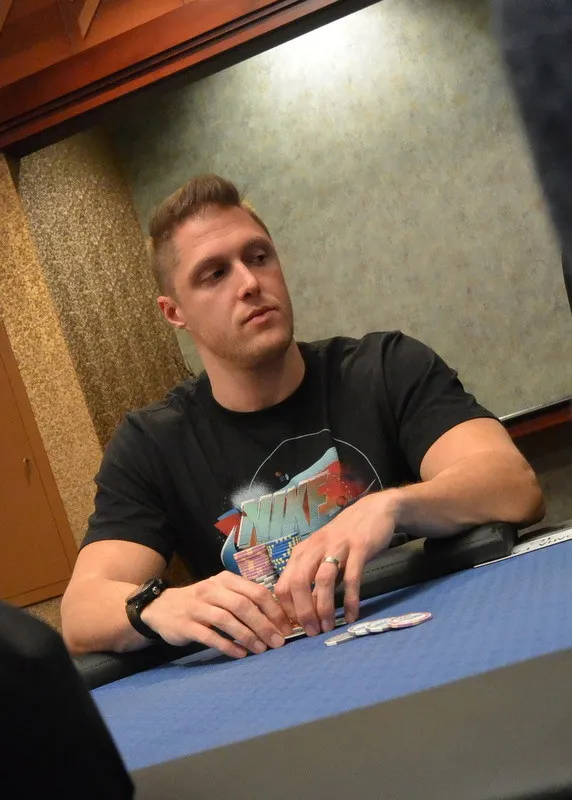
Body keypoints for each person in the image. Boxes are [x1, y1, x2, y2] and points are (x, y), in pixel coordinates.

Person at [61, 174, 545, 660]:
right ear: (174, 313)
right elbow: (81, 612)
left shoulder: (386, 368)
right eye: (215, 274)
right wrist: (158, 604)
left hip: (430, 638)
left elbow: (513, 484)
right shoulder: (152, 444)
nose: (250, 283)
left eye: (258, 257)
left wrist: (391, 506)